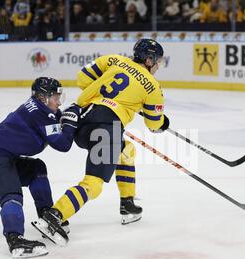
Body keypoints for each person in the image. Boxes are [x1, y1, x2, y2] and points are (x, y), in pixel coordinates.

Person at [32, 39, 170, 245]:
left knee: (126, 151)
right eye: (157, 61)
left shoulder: (114, 60)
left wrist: (103, 96)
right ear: (149, 60)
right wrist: (162, 122)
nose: (158, 65)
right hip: (107, 128)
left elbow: (82, 79)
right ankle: (55, 214)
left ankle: (128, 204)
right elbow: (154, 123)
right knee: (94, 184)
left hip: (81, 119)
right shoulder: (152, 87)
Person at [0, 77, 79, 258]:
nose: (59, 102)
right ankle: (15, 239)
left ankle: (46, 215)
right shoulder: (41, 114)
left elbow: (55, 118)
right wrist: (71, 123)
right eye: (56, 97)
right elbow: (63, 144)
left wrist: (68, 116)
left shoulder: (38, 107)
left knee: (36, 169)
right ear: (43, 97)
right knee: (12, 195)